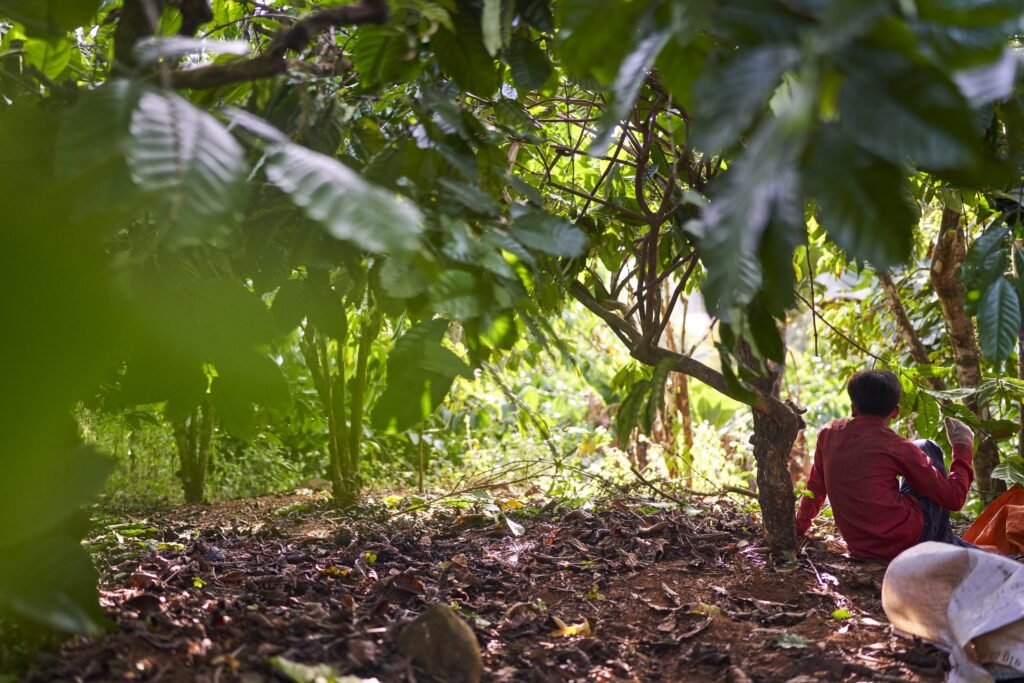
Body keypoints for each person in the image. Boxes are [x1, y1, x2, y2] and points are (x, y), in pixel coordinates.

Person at [795, 369, 976, 561]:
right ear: (896, 412)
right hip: (906, 543)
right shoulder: (896, 446)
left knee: (920, 448)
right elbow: (954, 499)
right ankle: (945, 544)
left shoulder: (828, 433)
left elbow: (815, 488)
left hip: (861, 548)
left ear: (853, 408)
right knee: (927, 446)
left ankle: (946, 544)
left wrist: (798, 528)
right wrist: (962, 447)